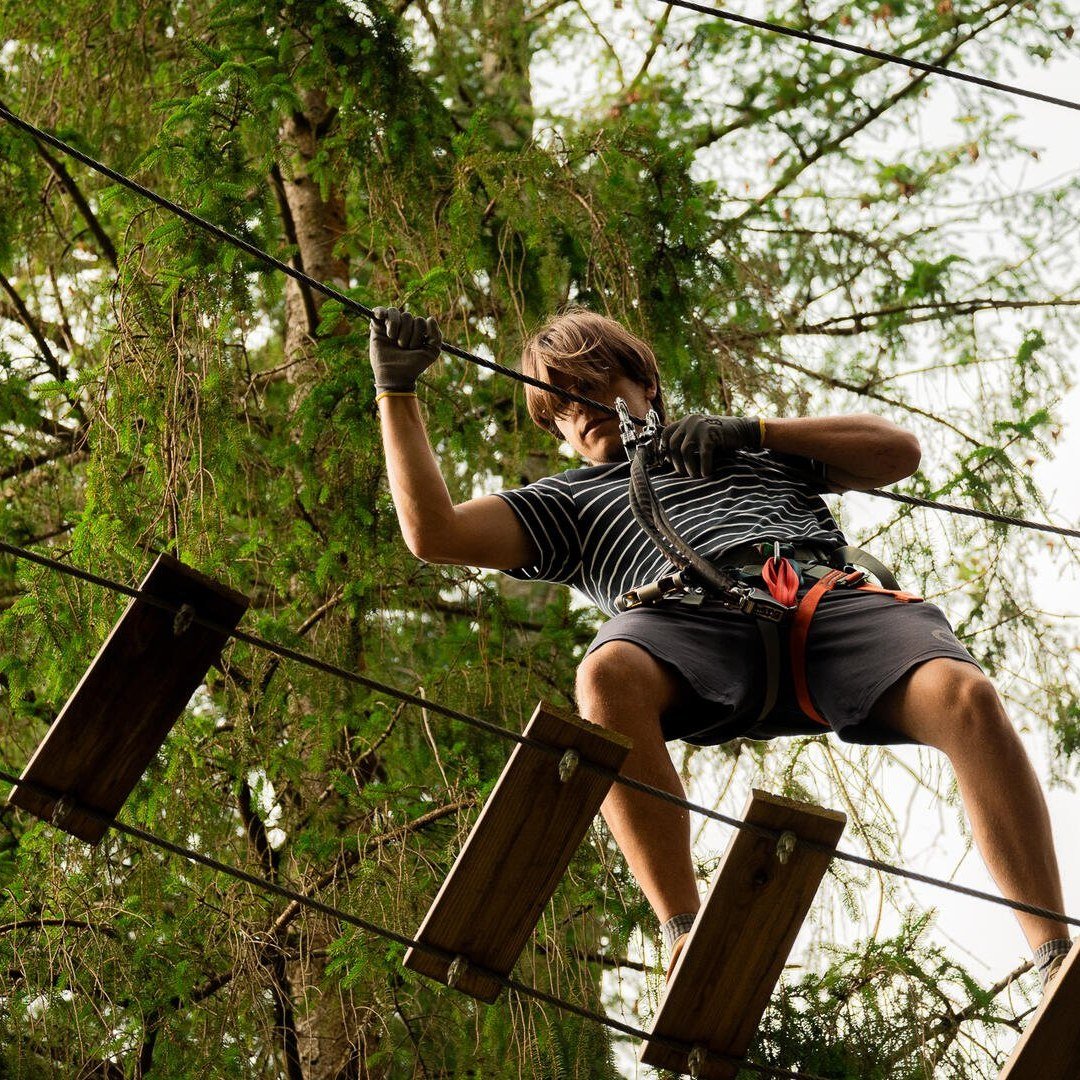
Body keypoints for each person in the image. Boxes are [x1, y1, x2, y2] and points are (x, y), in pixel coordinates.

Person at [369, 304, 1071, 988]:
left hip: (821, 600)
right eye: (559, 406)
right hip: (686, 626)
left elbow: (899, 453)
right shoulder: (571, 501)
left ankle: (1052, 954)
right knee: (609, 672)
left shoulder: (752, 450)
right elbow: (437, 535)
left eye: (590, 384)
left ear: (645, 384)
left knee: (965, 697)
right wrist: (396, 391)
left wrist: (754, 430)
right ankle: (684, 931)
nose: (575, 408)